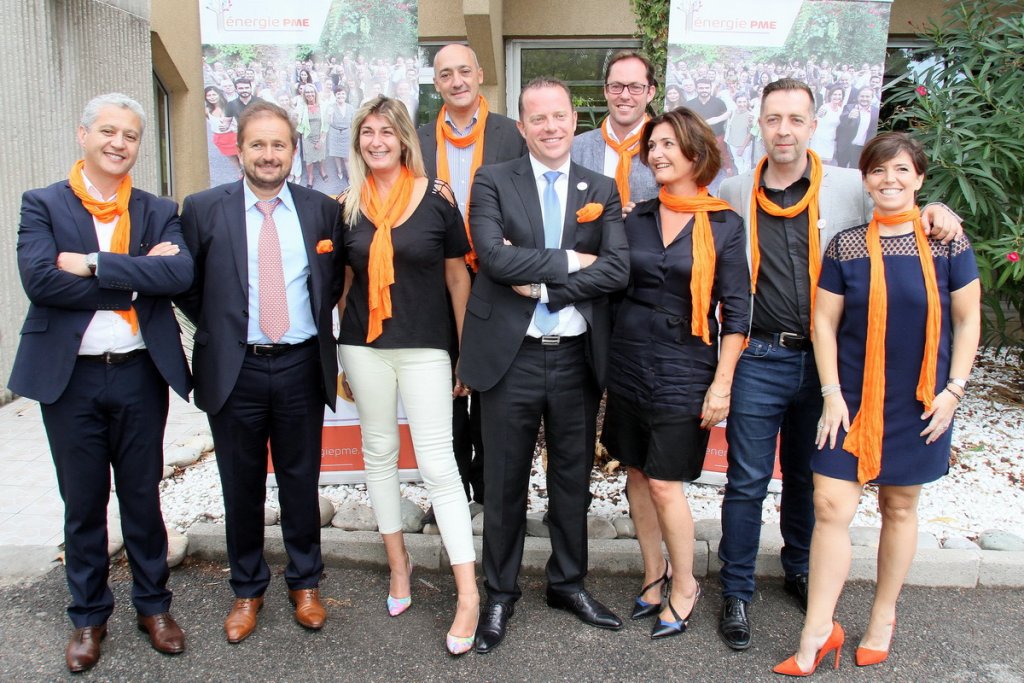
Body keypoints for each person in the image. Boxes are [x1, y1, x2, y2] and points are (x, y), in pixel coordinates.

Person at [715, 78, 962, 652]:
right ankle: (736, 590)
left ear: (813, 123)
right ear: (759, 123)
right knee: (747, 480)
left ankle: (800, 571)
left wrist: (939, 210)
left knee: (811, 479)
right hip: (761, 354)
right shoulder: (733, 189)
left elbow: (902, 205)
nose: (783, 130)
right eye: (773, 119)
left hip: (835, 368)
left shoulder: (850, 185)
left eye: (795, 119)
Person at [774, 132, 980, 676]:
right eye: (878, 171)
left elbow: (966, 320)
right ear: (865, 180)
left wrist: (954, 391)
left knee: (900, 507)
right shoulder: (845, 246)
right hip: (851, 401)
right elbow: (824, 321)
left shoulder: (947, 242)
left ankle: (882, 616)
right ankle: (819, 628)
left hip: (920, 402)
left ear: (918, 178)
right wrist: (831, 393)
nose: (890, 180)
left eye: (901, 171)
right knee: (829, 507)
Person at [9, 93, 192, 672]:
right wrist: (138, 283)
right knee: (82, 502)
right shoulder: (41, 203)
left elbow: (180, 272)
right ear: (82, 134)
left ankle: (154, 607)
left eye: (131, 135)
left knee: (142, 496)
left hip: (139, 374)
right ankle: (88, 618)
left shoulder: (157, 209)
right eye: (108, 131)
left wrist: (90, 263)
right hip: (72, 381)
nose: (119, 143)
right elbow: (41, 281)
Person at [459, 77, 629, 654]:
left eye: (560, 116)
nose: (551, 127)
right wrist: (569, 258)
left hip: (577, 356)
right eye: (538, 118)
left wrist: (549, 289)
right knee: (504, 483)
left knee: (571, 479)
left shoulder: (601, 187)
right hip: (513, 358)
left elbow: (616, 269)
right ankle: (500, 593)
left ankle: (568, 583)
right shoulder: (492, 179)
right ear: (523, 126)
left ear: (573, 118)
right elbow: (494, 256)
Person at [175, 101, 344, 644]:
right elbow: (190, 286)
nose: (269, 155)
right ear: (239, 150)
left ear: (294, 150)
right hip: (235, 370)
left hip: (299, 366)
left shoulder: (322, 210)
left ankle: (306, 584)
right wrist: (229, 328)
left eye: (279, 145)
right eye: (258, 145)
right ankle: (247, 590)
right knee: (240, 486)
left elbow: (333, 280)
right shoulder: (202, 208)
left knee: (300, 481)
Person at [335, 95, 479, 656]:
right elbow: (344, 282)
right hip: (364, 347)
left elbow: (458, 281)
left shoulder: (438, 198)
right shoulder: (345, 204)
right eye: (366, 132)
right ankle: (399, 566)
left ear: (402, 140)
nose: (376, 141)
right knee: (378, 454)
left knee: (440, 464)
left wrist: (466, 354)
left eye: (385, 132)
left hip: (426, 347)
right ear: (358, 142)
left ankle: (467, 592)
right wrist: (337, 353)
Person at [601, 109, 748, 639]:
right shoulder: (634, 218)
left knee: (665, 481)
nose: (657, 154)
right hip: (629, 360)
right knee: (636, 472)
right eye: (652, 146)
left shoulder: (725, 224)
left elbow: (737, 312)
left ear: (695, 152)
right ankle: (652, 574)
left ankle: (686, 583)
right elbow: (608, 283)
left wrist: (722, 382)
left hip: (686, 365)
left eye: (668, 144)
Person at [416, 43, 528, 507]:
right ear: (436, 82)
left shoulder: (510, 134)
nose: (457, 81)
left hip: (495, 277)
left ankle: (488, 492)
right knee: (442, 385)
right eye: (446, 74)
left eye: (465, 70)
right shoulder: (418, 139)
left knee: (490, 383)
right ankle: (452, 489)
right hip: (436, 280)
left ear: (480, 74)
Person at [571, 50, 659, 210]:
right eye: (616, 86)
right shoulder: (576, 148)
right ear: (605, 91)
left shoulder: (667, 148)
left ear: (650, 93)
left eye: (635, 87)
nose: (625, 95)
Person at [835, 87, 880, 169]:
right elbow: (842, 120)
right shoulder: (849, 107)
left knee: (855, 171)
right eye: (862, 96)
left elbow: (873, 132)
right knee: (840, 169)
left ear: (872, 98)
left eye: (867, 97)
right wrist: (849, 117)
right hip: (846, 146)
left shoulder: (876, 112)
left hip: (860, 148)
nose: (864, 99)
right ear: (858, 97)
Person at [296, 84, 329, 187]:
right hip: (307, 138)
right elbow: (299, 123)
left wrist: (321, 140)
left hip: (320, 136)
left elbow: (326, 124)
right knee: (309, 159)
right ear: (304, 94)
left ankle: (322, 170)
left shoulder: (323, 106)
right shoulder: (302, 107)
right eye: (307, 92)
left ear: (315, 93)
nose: (309, 94)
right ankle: (310, 176)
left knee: (321, 156)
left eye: (311, 92)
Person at [205, 86, 241, 175]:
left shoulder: (229, 106)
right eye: (208, 95)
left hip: (233, 135)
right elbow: (211, 123)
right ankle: (240, 174)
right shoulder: (207, 110)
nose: (212, 97)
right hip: (220, 138)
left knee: (242, 157)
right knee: (232, 158)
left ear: (219, 95)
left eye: (214, 94)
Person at [810, 85, 845, 165]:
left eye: (839, 95)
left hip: (831, 140)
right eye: (835, 94)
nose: (837, 97)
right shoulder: (824, 107)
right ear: (831, 96)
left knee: (827, 164)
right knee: (816, 163)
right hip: (819, 139)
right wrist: (818, 115)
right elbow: (817, 119)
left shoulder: (841, 110)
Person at [326, 88, 354, 184]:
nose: (341, 96)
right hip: (334, 133)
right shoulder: (331, 107)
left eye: (343, 93)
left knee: (347, 157)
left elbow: (353, 122)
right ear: (335, 95)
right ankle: (339, 171)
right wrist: (330, 115)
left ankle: (350, 176)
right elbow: (329, 123)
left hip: (347, 133)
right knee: (337, 155)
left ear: (345, 95)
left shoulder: (350, 107)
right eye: (338, 94)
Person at [724, 92, 754, 175]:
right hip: (733, 143)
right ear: (735, 102)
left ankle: (746, 181)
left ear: (747, 102)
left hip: (745, 145)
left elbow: (750, 133)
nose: (742, 104)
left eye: (744, 102)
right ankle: (741, 179)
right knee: (738, 163)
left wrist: (742, 148)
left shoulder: (751, 115)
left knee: (747, 164)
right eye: (739, 102)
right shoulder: (732, 113)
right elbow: (718, 118)